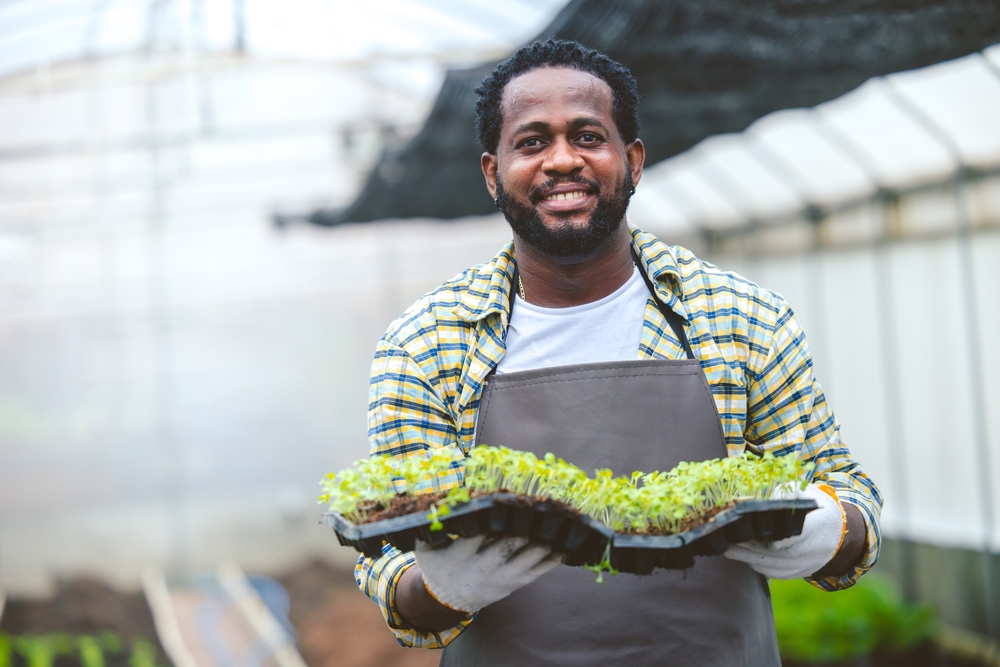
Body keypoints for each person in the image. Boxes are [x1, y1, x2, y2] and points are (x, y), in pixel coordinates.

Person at [356, 39, 882, 666]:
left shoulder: (741, 319)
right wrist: (443, 586)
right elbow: (391, 568)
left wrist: (825, 532)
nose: (561, 161)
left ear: (632, 161)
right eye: (531, 142)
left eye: (587, 136)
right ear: (493, 173)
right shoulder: (426, 344)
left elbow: (850, 499)